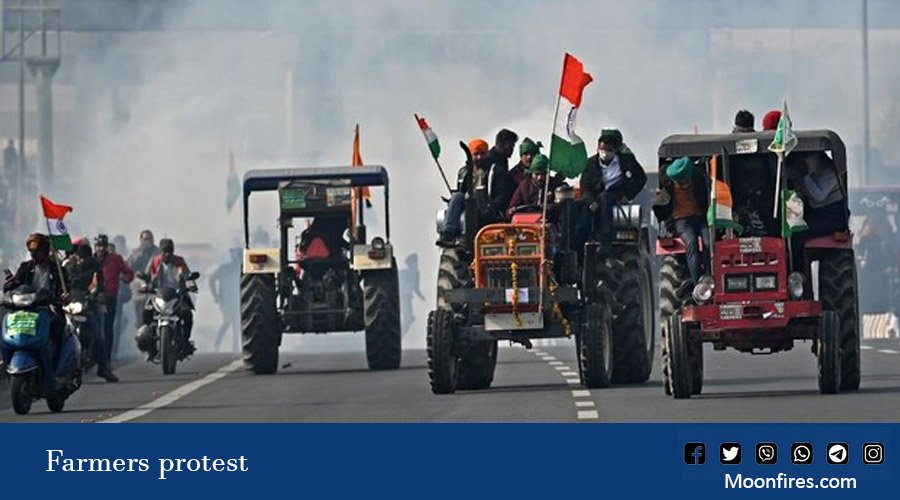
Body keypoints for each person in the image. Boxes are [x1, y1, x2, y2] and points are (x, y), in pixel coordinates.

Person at [578, 128, 647, 252]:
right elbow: (585, 188)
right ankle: (577, 247)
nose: (605, 153)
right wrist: (590, 202)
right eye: (602, 150)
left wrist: (628, 195)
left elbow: (641, 178)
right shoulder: (590, 164)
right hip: (594, 200)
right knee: (579, 210)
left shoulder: (626, 161)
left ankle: (605, 240)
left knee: (606, 197)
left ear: (615, 150)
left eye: (609, 150)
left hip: (615, 198)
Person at [437, 138, 508, 246]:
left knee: (471, 198)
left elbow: (502, 196)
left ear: (487, 153)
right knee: (458, 196)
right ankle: (448, 233)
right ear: (470, 155)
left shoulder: (496, 170)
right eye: (476, 154)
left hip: (487, 211)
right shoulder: (463, 172)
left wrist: (491, 206)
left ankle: (466, 237)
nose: (479, 157)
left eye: (482, 154)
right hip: (467, 209)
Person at [64, 243, 118, 382]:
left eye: (85, 258)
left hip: (88, 305)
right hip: (70, 305)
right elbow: (63, 284)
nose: (82, 261)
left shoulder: (95, 267)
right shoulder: (69, 267)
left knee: (98, 336)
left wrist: (99, 295)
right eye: (80, 258)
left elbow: (100, 286)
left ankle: (103, 368)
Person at [653, 157, 711, 285]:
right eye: (679, 183)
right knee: (691, 243)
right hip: (682, 220)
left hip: (701, 216)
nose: (682, 185)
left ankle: (710, 274)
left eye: (685, 182)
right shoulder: (667, 182)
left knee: (709, 242)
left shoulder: (700, 179)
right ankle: (699, 283)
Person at [143, 238, 196, 356]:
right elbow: (145, 277)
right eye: (164, 251)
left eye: (169, 251)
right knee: (146, 312)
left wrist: (191, 285)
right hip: (158, 295)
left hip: (177, 294)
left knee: (187, 314)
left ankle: (185, 341)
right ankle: (150, 343)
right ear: (160, 251)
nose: (167, 254)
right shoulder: (154, 261)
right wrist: (144, 285)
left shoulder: (179, 261)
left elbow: (188, 276)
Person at [94, 234, 134, 365]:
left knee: (107, 329)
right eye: (98, 246)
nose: (101, 249)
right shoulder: (91, 260)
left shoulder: (115, 259)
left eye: (103, 246)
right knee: (94, 328)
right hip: (92, 299)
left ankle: (107, 359)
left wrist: (125, 278)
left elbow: (128, 273)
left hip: (109, 298)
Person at [506, 153, 558, 218]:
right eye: (537, 174)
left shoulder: (555, 185)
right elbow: (510, 210)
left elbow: (561, 207)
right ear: (532, 173)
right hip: (527, 224)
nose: (540, 177)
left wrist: (550, 207)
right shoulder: (524, 186)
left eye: (543, 174)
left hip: (548, 223)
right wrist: (512, 211)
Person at [209, 248, 241, 351]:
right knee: (228, 321)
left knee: (236, 323)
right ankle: (217, 344)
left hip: (237, 300)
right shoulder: (225, 268)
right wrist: (215, 295)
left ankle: (235, 347)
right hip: (225, 300)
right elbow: (211, 279)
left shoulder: (242, 268)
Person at [127, 229, 158, 332]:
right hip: (139, 285)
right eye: (145, 239)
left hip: (155, 284)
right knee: (139, 307)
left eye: (149, 239)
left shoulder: (157, 252)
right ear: (140, 240)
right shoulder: (136, 252)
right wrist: (139, 254)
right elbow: (129, 267)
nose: (147, 241)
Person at [489, 128, 518, 213]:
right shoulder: (490, 163)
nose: (513, 150)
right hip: (493, 210)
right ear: (506, 144)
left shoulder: (502, 161)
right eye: (512, 146)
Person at [399, 253, 425, 338]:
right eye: (414, 262)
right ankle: (398, 335)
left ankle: (400, 335)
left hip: (408, 297)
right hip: (402, 298)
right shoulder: (402, 273)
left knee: (409, 319)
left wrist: (421, 297)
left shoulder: (416, 273)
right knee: (408, 318)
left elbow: (415, 288)